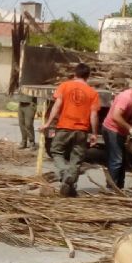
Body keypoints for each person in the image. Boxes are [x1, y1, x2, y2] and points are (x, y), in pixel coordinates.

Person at [38, 63, 100, 197]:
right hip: (82, 130)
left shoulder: (65, 86)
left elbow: (57, 106)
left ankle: (64, 173)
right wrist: (94, 133)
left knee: (56, 151)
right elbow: (94, 115)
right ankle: (70, 185)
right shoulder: (92, 93)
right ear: (88, 76)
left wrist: (47, 123)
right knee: (76, 159)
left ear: (75, 74)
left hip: (64, 127)